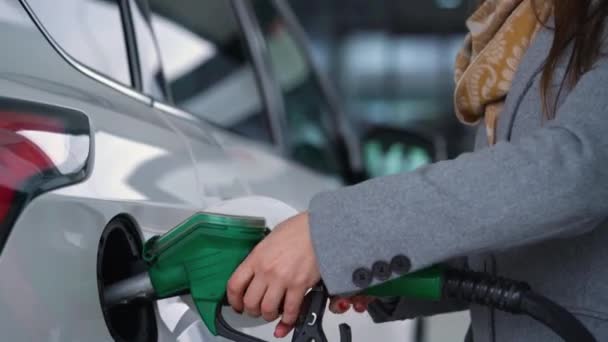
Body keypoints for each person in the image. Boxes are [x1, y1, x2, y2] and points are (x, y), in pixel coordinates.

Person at [227, 0, 608, 340]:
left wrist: (331, 236)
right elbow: (516, 218)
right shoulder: (525, 21)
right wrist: (381, 267)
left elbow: (572, 171)